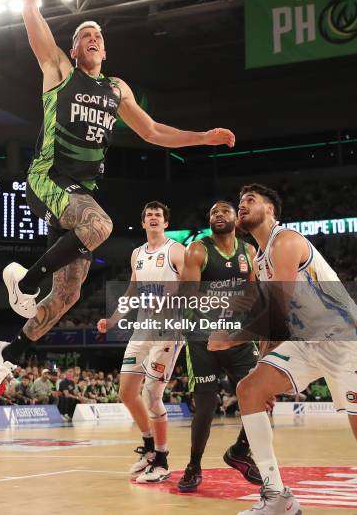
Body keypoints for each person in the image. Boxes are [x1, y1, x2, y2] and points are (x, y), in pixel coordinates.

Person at [0, 0, 235, 402]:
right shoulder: (58, 71)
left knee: (67, 297)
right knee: (101, 226)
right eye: (84, 35)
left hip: (80, 193)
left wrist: (204, 137)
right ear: (73, 49)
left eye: (98, 35)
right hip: (48, 176)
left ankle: (6, 354)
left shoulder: (117, 89)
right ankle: (26, 281)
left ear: (105, 50)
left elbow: (154, 131)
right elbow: (28, 10)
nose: (92, 38)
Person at [211, 183, 357, 515]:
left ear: (271, 210)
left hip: (344, 340)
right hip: (307, 343)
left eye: (250, 200)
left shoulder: (287, 241)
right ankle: (278, 497)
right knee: (250, 389)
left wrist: (231, 337)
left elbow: (278, 309)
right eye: (240, 200)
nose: (242, 205)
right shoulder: (260, 259)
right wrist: (265, 369)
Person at [98, 201, 185, 483]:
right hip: (143, 329)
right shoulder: (136, 254)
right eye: (149, 215)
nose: (154, 218)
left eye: (159, 215)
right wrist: (112, 320)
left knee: (151, 394)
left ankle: (162, 459)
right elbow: (132, 292)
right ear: (143, 223)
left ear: (166, 223)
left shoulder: (175, 250)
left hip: (169, 330)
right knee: (126, 391)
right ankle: (148, 447)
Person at [177, 201, 261, 492]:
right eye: (213, 212)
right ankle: (193, 465)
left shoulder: (248, 252)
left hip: (236, 337)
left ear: (236, 219)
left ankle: (239, 452)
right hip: (202, 337)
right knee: (207, 405)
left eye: (225, 211)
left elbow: (252, 293)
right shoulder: (198, 250)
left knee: (261, 396)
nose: (219, 215)